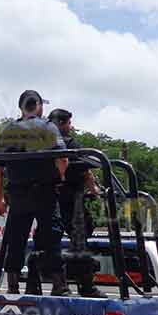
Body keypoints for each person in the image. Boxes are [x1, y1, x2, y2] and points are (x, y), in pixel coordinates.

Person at [0, 90, 68, 295]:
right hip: (45, 192)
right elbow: (63, 158)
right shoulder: (48, 127)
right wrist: (60, 179)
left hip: (18, 195)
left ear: (21, 108)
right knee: (52, 237)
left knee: (16, 238)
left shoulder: (8, 130)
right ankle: (58, 284)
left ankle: (13, 285)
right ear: (40, 106)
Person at [47, 107, 103, 297]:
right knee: (80, 240)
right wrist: (94, 190)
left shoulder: (41, 145)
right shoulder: (70, 144)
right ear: (61, 124)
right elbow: (86, 171)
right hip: (71, 201)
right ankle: (85, 285)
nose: (71, 126)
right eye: (69, 123)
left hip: (48, 202)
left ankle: (55, 283)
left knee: (48, 243)